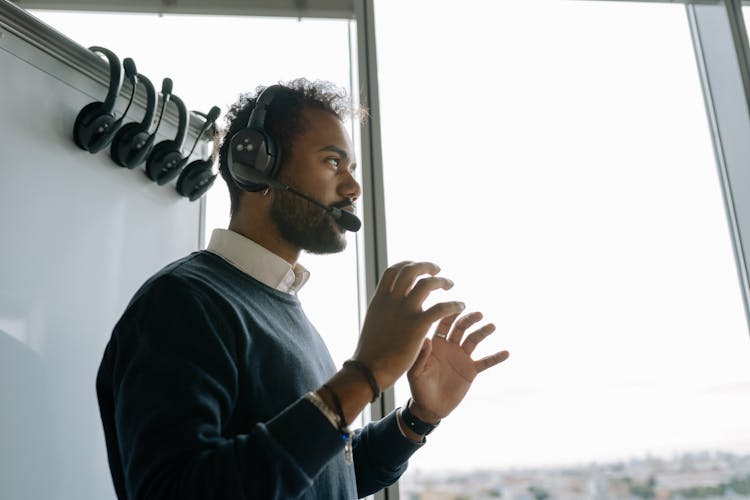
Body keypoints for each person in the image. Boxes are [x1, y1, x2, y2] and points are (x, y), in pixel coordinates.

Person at [96, 78, 510, 500]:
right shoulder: (181, 304)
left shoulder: (285, 311)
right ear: (255, 164)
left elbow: (318, 477)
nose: (353, 189)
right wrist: (363, 375)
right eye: (333, 163)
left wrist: (416, 420)